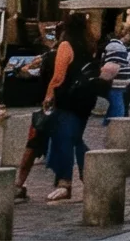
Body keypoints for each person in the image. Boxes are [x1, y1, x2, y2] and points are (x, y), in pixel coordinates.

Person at [41, 12, 99, 203]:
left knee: (64, 139)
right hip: (85, 99)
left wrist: (48, 96)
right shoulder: (90, 45)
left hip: (67, 99)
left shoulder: (66, 45)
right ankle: (89, 173)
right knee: (76, 138)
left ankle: (65, 182)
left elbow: (59, 76)